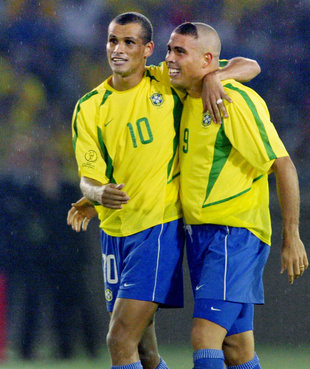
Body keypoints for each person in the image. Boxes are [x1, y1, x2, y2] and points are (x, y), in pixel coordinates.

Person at [70, 12, 260, 369]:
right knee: (151, 351)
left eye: (129, 42)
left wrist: (217, 76)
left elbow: (250, 65)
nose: (119, 49)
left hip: (157, 228)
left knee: (119, 338)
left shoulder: (165, 80)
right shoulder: (89, 106)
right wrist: (96, 195)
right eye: (113, 41)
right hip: (114, 232)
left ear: (147, 50)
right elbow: (88, 176)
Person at [165, 22, 309, 369]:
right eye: (169, 49)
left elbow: (284, 166)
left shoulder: (235, 102)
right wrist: (219, 75)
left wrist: (292, 236)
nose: (169, 58)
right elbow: (249, 63)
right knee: (237, 348)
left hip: (231, 234)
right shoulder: (189, 90)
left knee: (205, 336)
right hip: (203, 235)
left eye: (179, 52)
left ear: (207, 60)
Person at [0, 139, 98, 360]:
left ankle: (77, 348)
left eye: (51, 162)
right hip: (42, 257)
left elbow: (77, 222)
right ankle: (29, 348)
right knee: (34, 303)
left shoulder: (68, 189)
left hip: (68, 256)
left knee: (72, 304)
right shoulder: (32, 191)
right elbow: (29, 223)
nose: (48, 167)